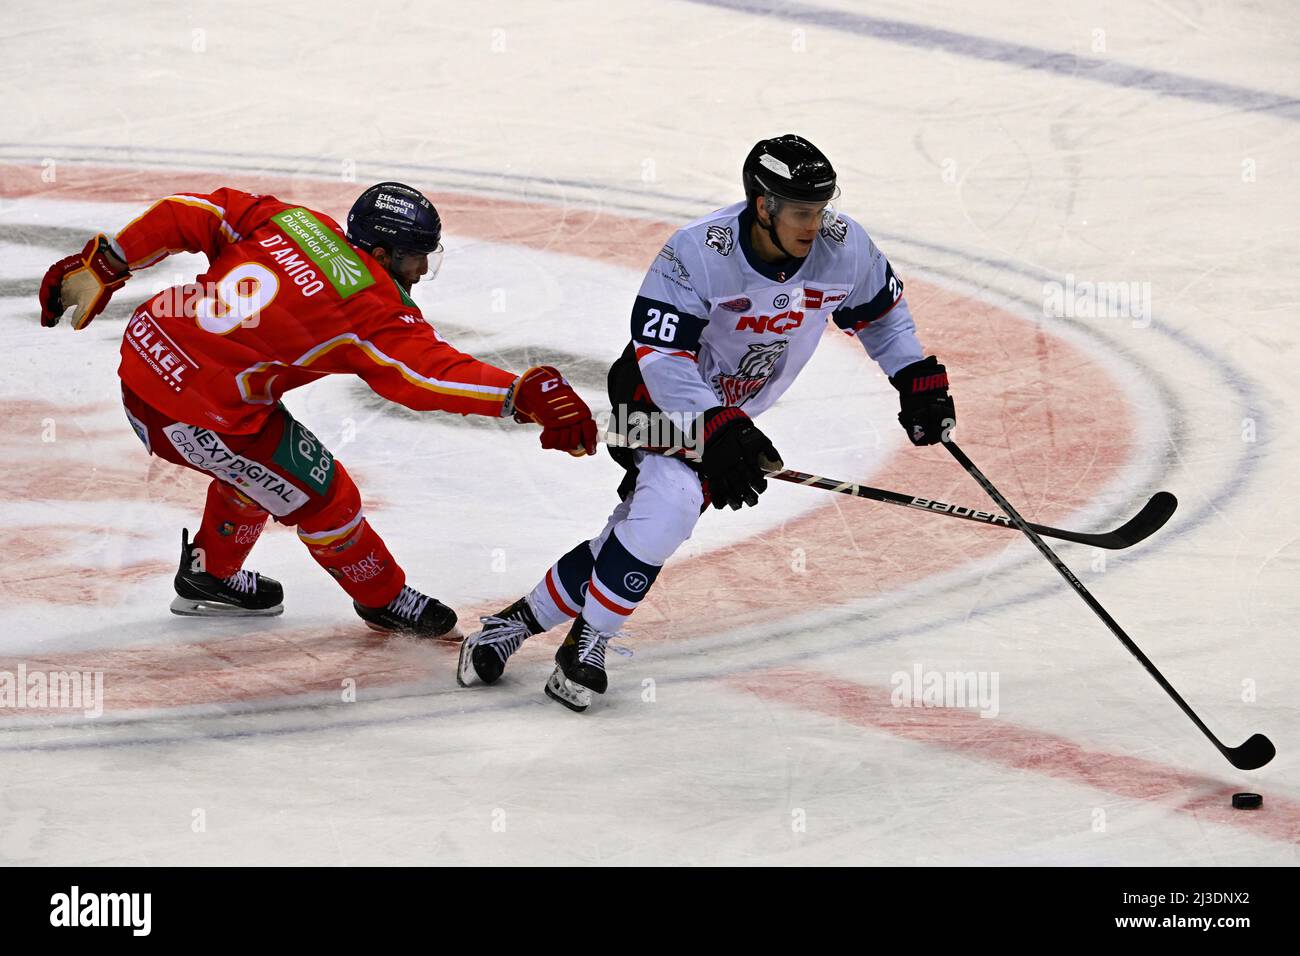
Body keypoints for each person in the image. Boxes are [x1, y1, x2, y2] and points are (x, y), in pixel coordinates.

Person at [457, 135, 955, 710]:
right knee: (670, 500)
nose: (813, 224)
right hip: (654, 396)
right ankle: (587, 643)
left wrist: (917, 379)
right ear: (763, 206)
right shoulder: (698, 252)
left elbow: (883, 319)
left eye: (819, 210)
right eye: (799, 211)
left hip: (732, 416)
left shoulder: (844, 247)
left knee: (643, 527)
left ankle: (513, 626)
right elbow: (662, 356)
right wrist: (715, 425)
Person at [38, 181, 597, 637]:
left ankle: (211, 574)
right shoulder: (371, 307)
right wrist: (518, 392)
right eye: (416, 257)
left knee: (263, 466)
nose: (422, 271)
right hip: (188, 410)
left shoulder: (293, 220)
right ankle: (381, 599)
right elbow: (423, 376)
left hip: (147, 356)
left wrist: (108, 261)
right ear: (379, 254)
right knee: (327, 497)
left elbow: (193, 213)